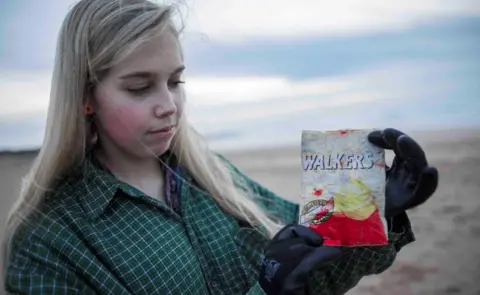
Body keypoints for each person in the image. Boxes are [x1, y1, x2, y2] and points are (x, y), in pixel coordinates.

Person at [1, 0, 439, 294]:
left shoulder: (213, 173)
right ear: (85, 98)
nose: (168, 105)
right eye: (139, 87)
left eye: (176, 82)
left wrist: (373, 211)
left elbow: (318, 274)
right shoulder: (48, 242)